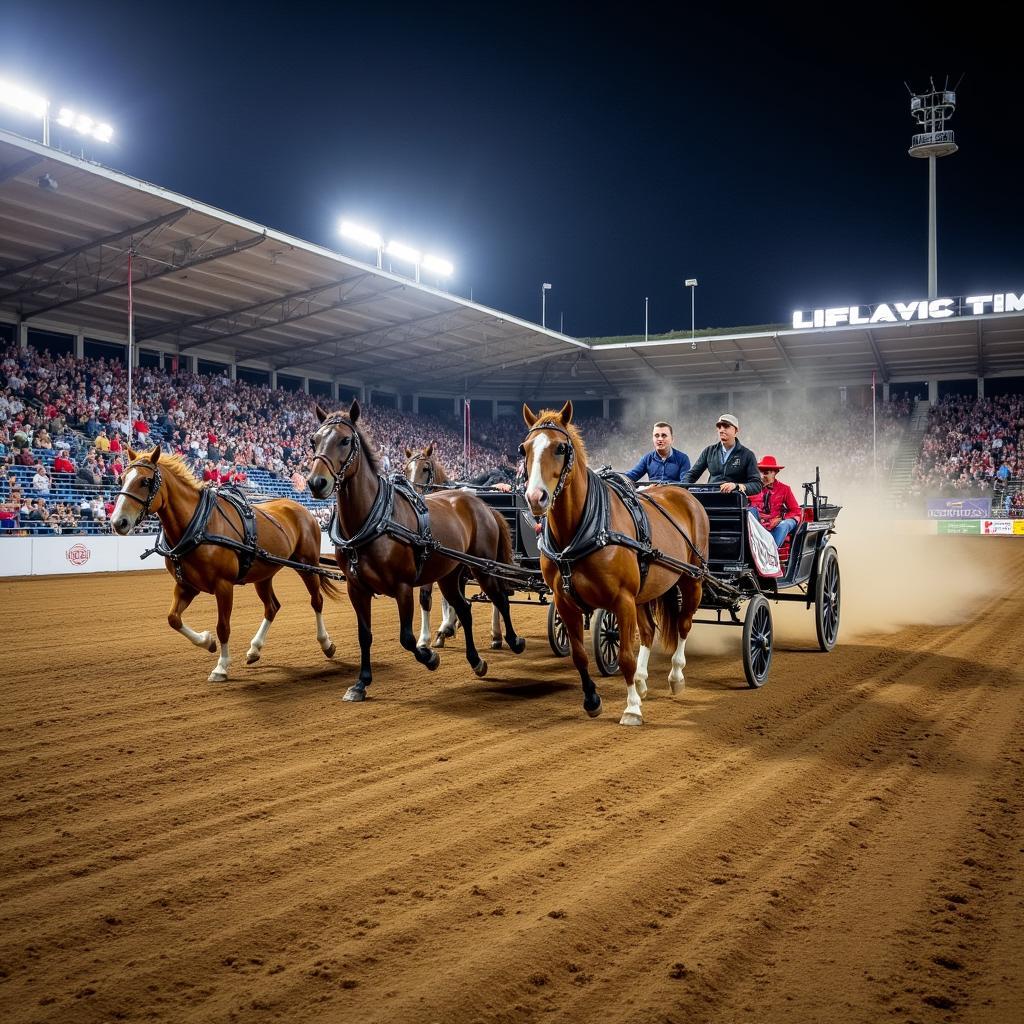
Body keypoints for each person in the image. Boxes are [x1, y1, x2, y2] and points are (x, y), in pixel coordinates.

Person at [682, 413, 762, 497]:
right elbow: (692, 474)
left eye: (726, 426)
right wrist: (680, 487)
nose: (721, 430)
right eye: (719, 427)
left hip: (734, 502)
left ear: (736, 430)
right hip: (711, 499)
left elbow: (757, 485)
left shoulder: (747, 455)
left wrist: (736, 486)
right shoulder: (709, 451)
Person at [755, 455, 801, 548]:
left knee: (784, 525)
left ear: (774, 473)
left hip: (777, 524)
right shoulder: (752, 489)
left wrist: (780, 519)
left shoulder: (784, 489)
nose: (762, 476)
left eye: (766, 473)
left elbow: (796, 511)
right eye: (760, 472)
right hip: (757, 525)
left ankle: (771, 551)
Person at [623, 422, 691, 483]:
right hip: (654, 496)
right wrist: (615, 478)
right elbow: (632, 475)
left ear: (672, 439)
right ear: (653, 439)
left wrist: (663, 486)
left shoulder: (683, 458)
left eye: (664, 435)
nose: (660, 439)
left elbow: (685, 484)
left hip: (674, 496)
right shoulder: (647, 459)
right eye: (656, 436)